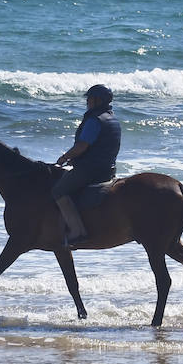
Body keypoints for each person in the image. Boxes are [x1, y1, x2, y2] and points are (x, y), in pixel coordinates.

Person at [53, 84, 121, 246]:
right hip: (108, 169)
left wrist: (64, 157)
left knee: (58, 191)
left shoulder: (94, 120)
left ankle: (77, 232)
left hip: (91, 170)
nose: (87, 102)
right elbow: (99, 146)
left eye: (89, 99)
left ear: (98, 100)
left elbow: (82, 146)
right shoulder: (111, 118)